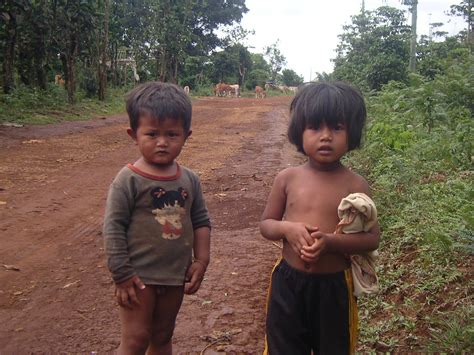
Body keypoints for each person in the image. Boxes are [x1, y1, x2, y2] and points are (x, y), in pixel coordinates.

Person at [260, 81, 380, 355]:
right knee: (283, 347)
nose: (326, 136)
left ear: (352, 133)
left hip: (334, 288)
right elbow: (266, 225)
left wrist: (329, 241)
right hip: (287, 284)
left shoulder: (356, 185)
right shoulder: (287, 179)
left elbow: (372, 238)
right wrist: (287, 229)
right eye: (315, 127)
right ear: (299, 132)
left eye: (337, 128)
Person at [103, 81, 211, 355]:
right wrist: (121, 273)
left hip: (175, 276)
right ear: (133, 134)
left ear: (187, 135)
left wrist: (201, 260)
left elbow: (200, 221)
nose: (162, 142)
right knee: (136, 339)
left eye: (172, 134)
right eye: (152, 134)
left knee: (163, 336)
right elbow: (113, 227)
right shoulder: (128, 179)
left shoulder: (190, 179)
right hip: (138, 277)